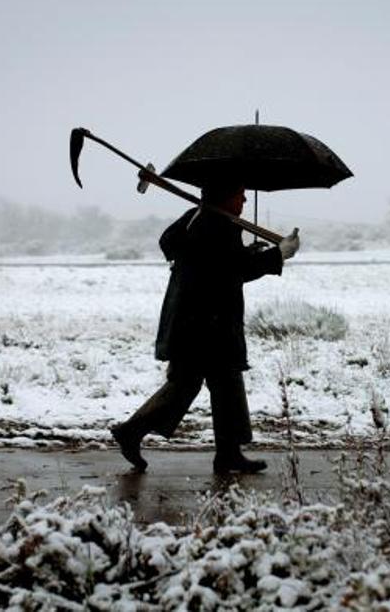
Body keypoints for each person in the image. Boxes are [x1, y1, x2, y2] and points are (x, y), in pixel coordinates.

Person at [110, 182, 300, 473]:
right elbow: (231, 270)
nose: (245, 197)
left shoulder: (198, 216)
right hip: (205, 324)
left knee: (225, 384)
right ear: (225, 196)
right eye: (239, 193)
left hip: (200, 320)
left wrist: (246, 251)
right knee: (190, 383)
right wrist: (278, 255)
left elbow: (210, 258)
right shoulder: (214, 224)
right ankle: (132, 432)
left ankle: (228, 453)